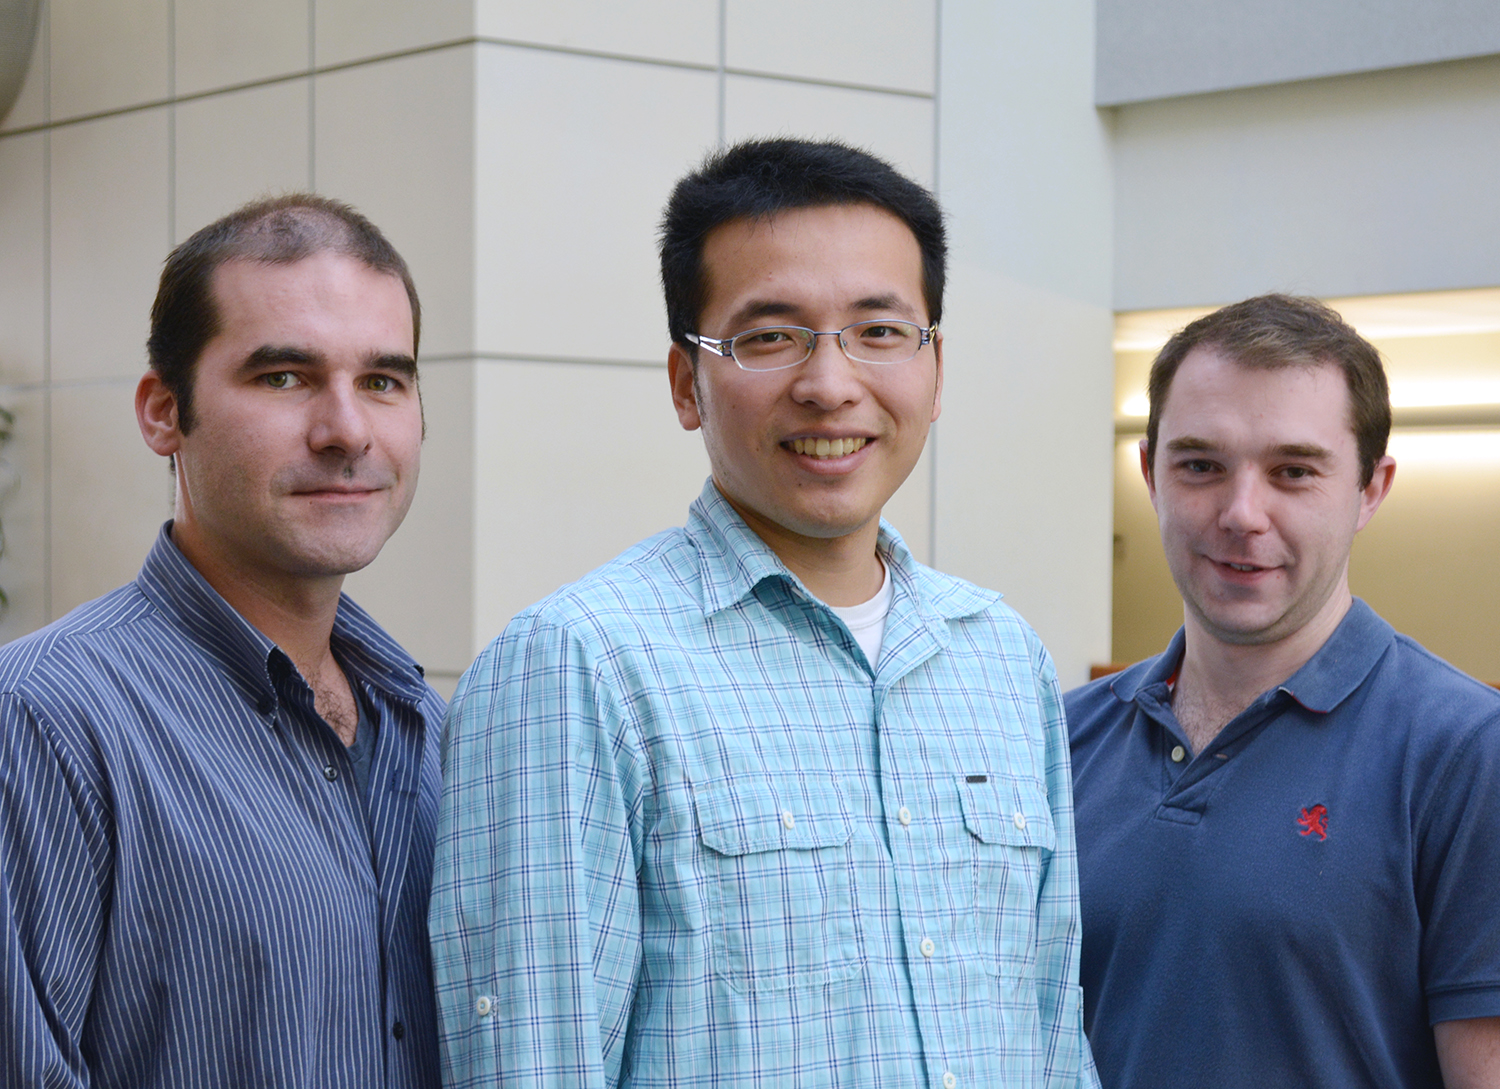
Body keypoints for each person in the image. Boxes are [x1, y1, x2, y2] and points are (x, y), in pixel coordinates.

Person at [429, 138, 1099, 1088]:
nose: (830, 384)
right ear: (683, 383)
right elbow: (534, 1062)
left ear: (935, 368)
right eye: (770, 335)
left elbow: (1053, 1033)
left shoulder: (1000, 655)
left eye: (879, 331)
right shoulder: (578, 663)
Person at [0, 195, 445, 1088]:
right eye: (283, 377)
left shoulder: (424, 720)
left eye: (384, 381)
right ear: (164, 412)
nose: (347, 430)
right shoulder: (42, 720)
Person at [1067, 294, 1500, 1088]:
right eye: (1200, 465)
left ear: (1372, 488)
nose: (1241, 513)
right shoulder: (1060, 739)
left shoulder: (1470, 752)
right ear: (1150, 474)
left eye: (1293, 472)